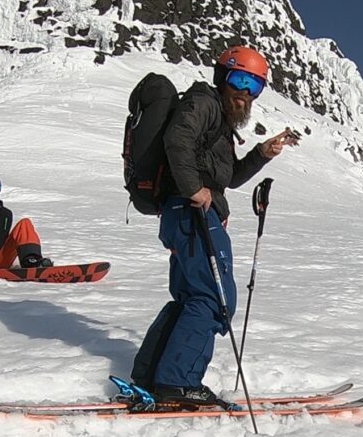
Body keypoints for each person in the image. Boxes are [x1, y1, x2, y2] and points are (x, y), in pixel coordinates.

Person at [129, 45, 301, 406]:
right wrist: (193, 189)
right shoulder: (204, 103)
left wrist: (261, 154)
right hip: (192, 213)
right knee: (213, 298)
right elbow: (177, 140)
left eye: (254, 86)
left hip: (185, 214)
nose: (244, 92)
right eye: (239, 79)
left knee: (193, 297)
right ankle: (177, 382)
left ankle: (152, 374)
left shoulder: (220, 124)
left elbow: (229, 178)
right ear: (222, 76)